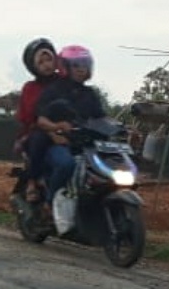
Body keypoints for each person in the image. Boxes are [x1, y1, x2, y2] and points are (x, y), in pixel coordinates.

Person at [34, 44, 108, 203]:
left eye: (85, 64)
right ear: (65, 66)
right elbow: (41, 120)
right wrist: (58, 127)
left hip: (86, 146)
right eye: (77, 65)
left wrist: (123, 129)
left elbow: (102, 119)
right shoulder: (54, 90)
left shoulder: (90, 94)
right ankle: (49, 204)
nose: (82, 69)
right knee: (66, 165)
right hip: (59, 143)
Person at [14, 38, 56, 201]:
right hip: (38, 129)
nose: (46, 64)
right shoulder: (30, 88)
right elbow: (28, 115)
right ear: (33, 66)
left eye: (49, 59)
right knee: (38, 140)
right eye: (41, 61)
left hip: (64, 130)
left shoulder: (64, 83)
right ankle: (32, 182)